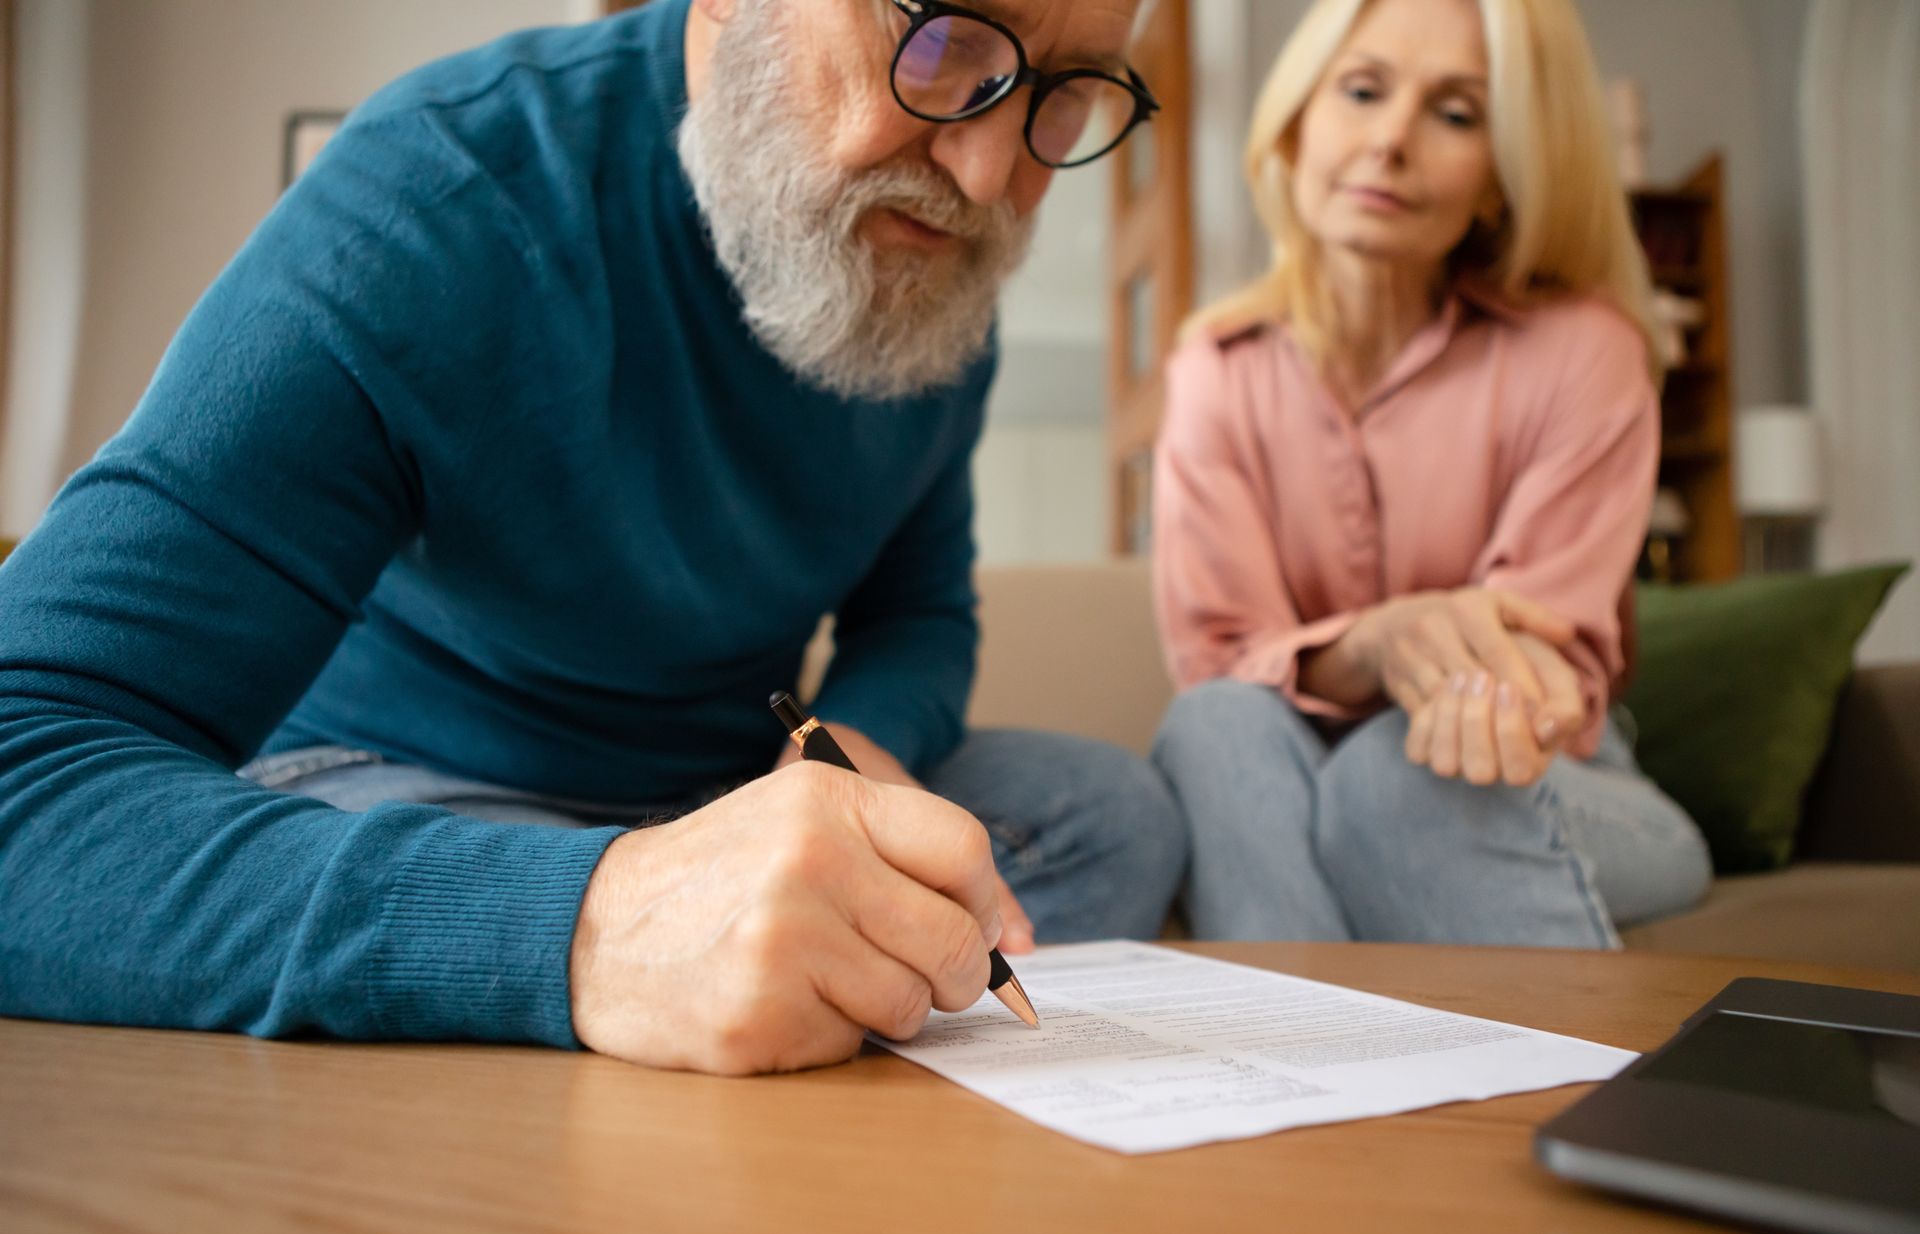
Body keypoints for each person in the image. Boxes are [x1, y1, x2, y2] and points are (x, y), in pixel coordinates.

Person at [0, 0, 1187, 1076]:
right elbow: (23, 768)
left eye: (1068, 91)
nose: (987, 176)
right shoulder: (437, 198)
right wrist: (588, 923)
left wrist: (854, 738)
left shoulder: (932, 265)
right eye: (939, 43)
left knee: (1109, 809)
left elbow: (919, 604)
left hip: (716, 787)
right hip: (417, 787)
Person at [1148, 0, 1710, 947]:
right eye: (1362, 91)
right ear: (1297, 122)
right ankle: (1291, 1073)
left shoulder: (1585, 352)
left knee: (1396, 777)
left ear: (1502, 175)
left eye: (1455, 115)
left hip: (1548, 772)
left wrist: (1486, 687)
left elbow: (1539, 654)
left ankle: (1577, 1092)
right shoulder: (1219, 367)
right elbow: (1220, 657)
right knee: (1213, 727)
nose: (1390, 141)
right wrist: (1375, 643)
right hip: (1286, 766)